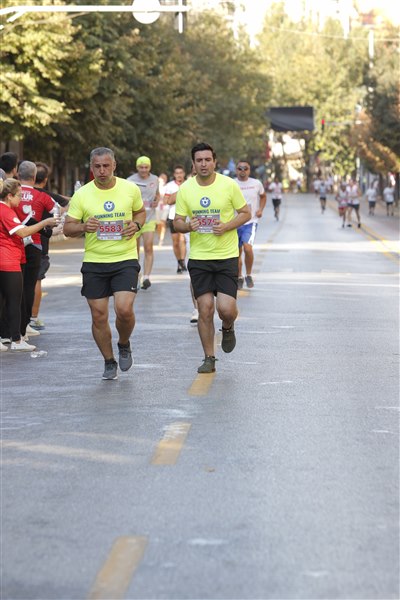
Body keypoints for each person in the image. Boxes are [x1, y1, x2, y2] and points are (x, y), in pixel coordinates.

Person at [63, 147, 146, 380]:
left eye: (106, 166)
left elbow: (140, 213)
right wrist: (83, 227)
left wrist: (136, 225)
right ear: (92, 168)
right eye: (97, 166)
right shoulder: (82, 195)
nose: (102, 171)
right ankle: (109, 361)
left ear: (114, 166)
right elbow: (68, 228)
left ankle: (124, 343)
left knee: (124, 309)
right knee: (99, 315)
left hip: (125, 258)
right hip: (95, 261)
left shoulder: (130, 189)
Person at [173, 142, 251, 374]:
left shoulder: (228, 185)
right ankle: (209, 357)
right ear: (193, 164)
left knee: (226, 309)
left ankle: (228, 326)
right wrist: (188, 226)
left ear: (214, 162)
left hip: (226, 256)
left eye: (208, 160)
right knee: (205, 309)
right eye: (199, 160)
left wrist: (227, 226)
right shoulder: (186, 189)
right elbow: (177, 222)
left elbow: (245, 213)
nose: (204, 164)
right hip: (199, 258)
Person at [0, 178, 59, 352]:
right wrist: (44, 222)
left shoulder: (6, 210)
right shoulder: (6, 211)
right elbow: (23, 232)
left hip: (6, 259)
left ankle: (7, 338)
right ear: (9, 196)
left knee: (3, 300)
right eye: (18, 195)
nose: (20, 199)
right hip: (9, 260)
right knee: (14, 301)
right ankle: (17, 340)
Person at [14, 161, 59, 339]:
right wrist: (49, 227)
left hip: (12, 244)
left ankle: (11, 328)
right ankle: (23, 327)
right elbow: (57, 212)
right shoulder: (41, 195)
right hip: (34, 244)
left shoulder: (10, 193)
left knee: (11, 286)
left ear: (18, 175)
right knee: (29, 286)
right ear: (34, 177)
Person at [30, 162, 70, 330]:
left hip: (19, 241)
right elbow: (66, 204)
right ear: (45, 179)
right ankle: (33, 318)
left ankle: (18, 318)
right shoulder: (47, 197)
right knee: (36, 280)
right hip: (40, 243)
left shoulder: (18, 193)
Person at [127, 156, 159, 289]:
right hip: (134, 219)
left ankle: (146, 277)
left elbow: (157, 194)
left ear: (150, 167)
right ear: (137, 167)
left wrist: (156, 200)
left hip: (149, 218)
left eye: (146, 167)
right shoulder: (130, 181)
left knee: (148, 247)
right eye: (141, 167)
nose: (144, 170)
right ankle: (136, 274)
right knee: (134, 250)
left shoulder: (155, 179)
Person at [234, 160, 266, 289]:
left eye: (245, 168)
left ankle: (248, 274)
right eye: (240, 168)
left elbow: (263, 196)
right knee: (236, 252)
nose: (242, 171)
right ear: (236, 170)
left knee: (247, 248)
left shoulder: (256, 183)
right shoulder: (231, 183)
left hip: (250, 222)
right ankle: (239, 276)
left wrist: (260, 209)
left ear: (249, 170)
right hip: (235, 222)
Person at [164, 165, 187, 274]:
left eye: (181, 173)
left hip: (185, 216)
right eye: (177, 173)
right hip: (173, 216)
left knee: (182, 240)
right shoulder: (169, 186)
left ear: (184, 174)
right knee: (176, 242)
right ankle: (179, 262)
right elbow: (166, 201)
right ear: (174, 175)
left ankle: (183, 261)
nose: (179, 175)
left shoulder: (188, 184)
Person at [155, 172, 169, 245]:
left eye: (164, 178)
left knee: (163, 222)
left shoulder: (168, 187)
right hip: (157, 208)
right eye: (161, 178)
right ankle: (159, 235)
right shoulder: (156, 188)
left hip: (165, 207)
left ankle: (161, 239)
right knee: (158, 224)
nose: (163, 180)